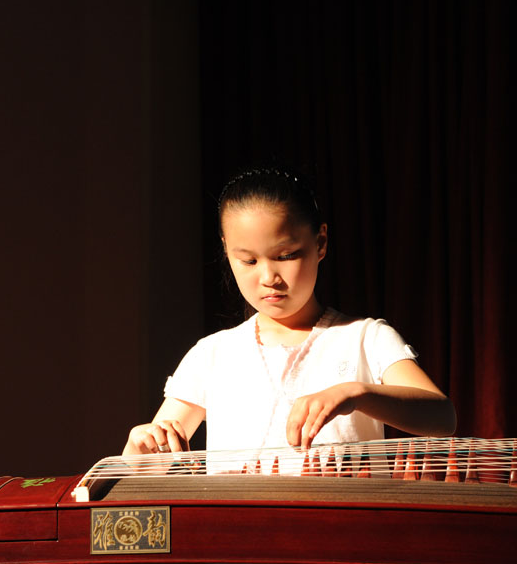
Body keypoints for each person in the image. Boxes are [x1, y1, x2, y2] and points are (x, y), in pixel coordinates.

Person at [124, 169, 455, 466]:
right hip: (237, 518)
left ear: (320, 243)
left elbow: (442, 416)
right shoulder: (212, 354)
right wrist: (138, 447)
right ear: (227, 251)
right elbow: (151, 460)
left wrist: (356, 394)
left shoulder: (364, 338)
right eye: (248, 261)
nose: (268, 277)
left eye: (286, 256)